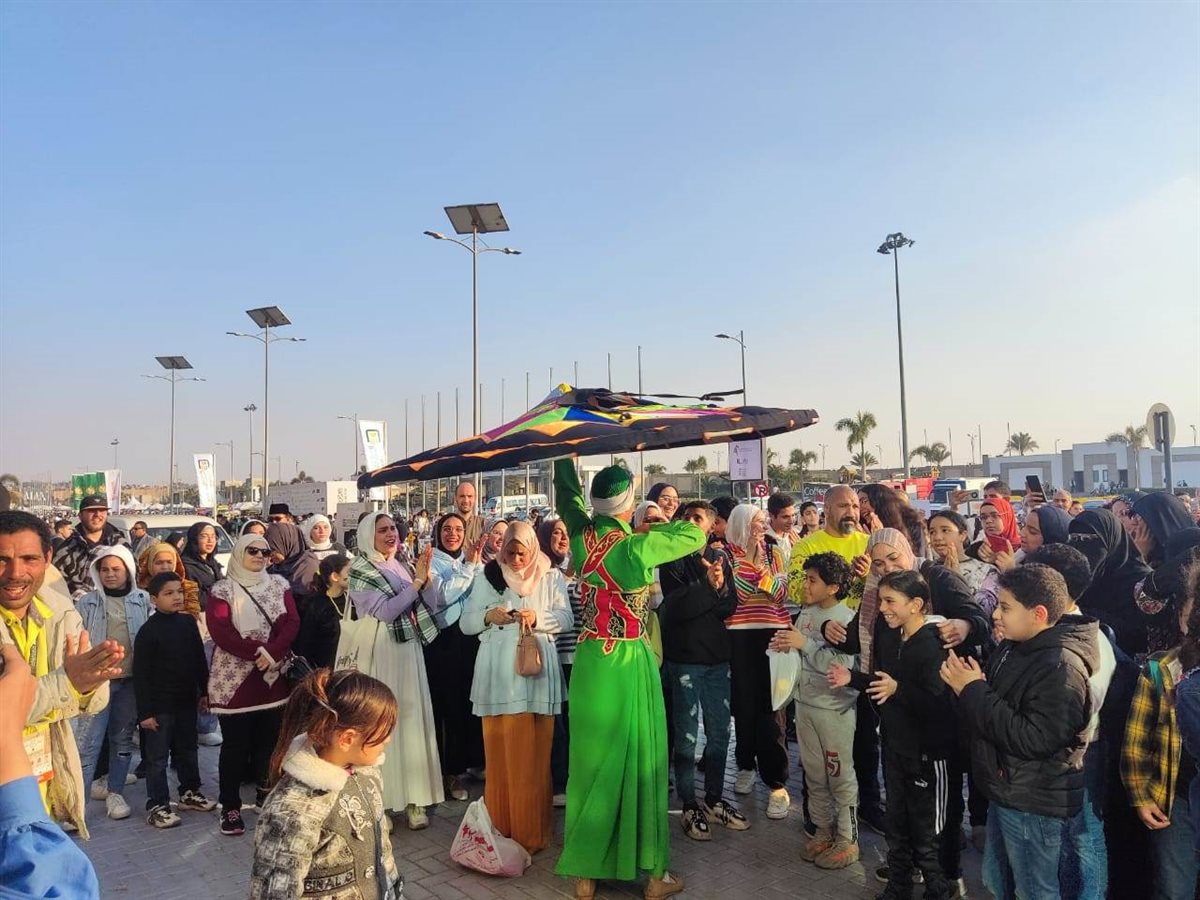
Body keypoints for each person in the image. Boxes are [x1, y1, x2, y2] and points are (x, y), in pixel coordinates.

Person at [552, 459, 705, 900]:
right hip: (628, 658)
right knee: (641, 760)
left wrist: (565, 453)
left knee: (589, 764)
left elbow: (566, 495)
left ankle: (585, 874)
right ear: (629, 501)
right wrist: (655, 526)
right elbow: (695, 534)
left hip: (590, 660)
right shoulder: (637, 548)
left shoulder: (580, 535)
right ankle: (654, 876)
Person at [942, 564, 1099, 900]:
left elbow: (1035, 738)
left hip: (1034, 800)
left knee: (1035, 888)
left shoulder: (1061, 665)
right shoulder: (1018, 644)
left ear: (1038, 614)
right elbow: (1002, 701)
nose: (995, 615)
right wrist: (974, 685)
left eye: (1005, 607)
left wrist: (972, 690)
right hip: (1010, 789)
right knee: (1003, 880)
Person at [830, 570, 953, 899]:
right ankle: (898, 887)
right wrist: (854, 678)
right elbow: (885, 682)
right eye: (881, 600)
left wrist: (899, 689)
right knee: (897, 826)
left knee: (928, 836)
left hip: (927, 756)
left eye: (889, 601)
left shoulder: (934, 643)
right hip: (895, 748)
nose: (882, 608)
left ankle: (940, 890)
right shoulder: (892, 634)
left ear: (916, 605)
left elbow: (941, 702)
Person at [0, 511, 123, 837]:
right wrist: (67, 685)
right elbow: (6, 711)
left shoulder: (60, 611)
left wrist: (86, 684)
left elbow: (94, 701)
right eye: (2, 560)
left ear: (47, 558)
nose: (15, 573)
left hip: (43, 793)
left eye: (29, 559)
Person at [461, 521, 572, 853]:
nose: (516, 560)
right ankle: (502, 828)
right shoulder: (489, 576)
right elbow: (466, 623)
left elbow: (566, 619)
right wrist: (488, 616)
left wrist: (536, 618)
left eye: (521, 553)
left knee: (535, 757)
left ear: (533, 548)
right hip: (498, 675)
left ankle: (532, 832)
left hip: (536, 672)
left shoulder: (550, 575)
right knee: (501, 756)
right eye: (509, 553)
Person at [249, 669, 403, 900]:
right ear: (347, 739)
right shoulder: (293, 808)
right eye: (384, 730)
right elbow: (272, 891)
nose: (389, 739)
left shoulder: (367, 773)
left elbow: (382, 848)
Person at [1024, 543, 1116, 900]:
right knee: (1063, 837)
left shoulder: (1087, 639)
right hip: (1057, 751)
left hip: (1081, 751)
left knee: (1084, 836)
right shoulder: (1047, 631)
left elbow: (1082, 709)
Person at [347, 512, 445, 831]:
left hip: (408, 649)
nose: (391, 534)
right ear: (368, 535)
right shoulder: (361, 569)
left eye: (393, 528)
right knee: (381, 724)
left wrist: (425, 579)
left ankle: (415, 800)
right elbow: (387, 612)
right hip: (381, 651)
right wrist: (415, 583)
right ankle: (383, 804)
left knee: (411, 722)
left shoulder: (401, 563)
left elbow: (429, 603)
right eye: (382, 530)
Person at [658, 500, 747, 842]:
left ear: (711, 526)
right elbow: (675, 608)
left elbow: (729, 606)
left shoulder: (721, 558)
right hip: (684, 660)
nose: (691, 522)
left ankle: (713, 798)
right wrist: (708, 588)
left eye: (698, 518)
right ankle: (689, 803)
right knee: (686, 737)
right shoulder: (671, 559)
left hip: (717, 660)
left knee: (720, 732)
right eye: (686, 517)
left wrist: (719, 586)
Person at [206, 533, 300, 836]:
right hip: (234, 680)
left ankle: (264, 793)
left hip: (272, 678)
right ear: (238, 553)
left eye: (265, 551)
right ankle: (230, 806)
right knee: (235, 746)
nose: (260, 556)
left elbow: (291, 623)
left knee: (270, 741)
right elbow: (221, 632)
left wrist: (273, 653)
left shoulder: (279, 585)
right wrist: (260, 653)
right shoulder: (222, 590)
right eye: (252, 550)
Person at [770, 552, 858, 869]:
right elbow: (798, 654)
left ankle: (848, 839)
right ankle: (822, 830)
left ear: (832, 587)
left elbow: (841, 667)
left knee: (840, 776)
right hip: (805, 706)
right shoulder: (805, 613)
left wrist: (803, 644)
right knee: (815, 775)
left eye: (812, 580)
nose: (805, 586)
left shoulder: (846, 619)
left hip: (833, 711)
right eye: (805, 578)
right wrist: (784, 646)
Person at [0, 643, 101, 898]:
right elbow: (55, 886)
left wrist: (79, 686)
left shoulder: (57, 618)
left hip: (38, 801)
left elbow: (97, 699)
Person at [1121, 587, 1200, 899]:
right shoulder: (1161, 669)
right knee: (1174, 887)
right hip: (1175, 798)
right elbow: (1137, 738)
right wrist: (1141, 795)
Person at [723, 503, 792, 817]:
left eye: (763, 522)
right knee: (744, 704)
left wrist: (759, 574)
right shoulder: (726, 554)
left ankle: (777, 781)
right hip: (739, 635)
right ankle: (745, 765)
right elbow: (737, 594)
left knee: (773, 706)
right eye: (756, 522)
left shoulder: (774, 552)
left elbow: (780, 593)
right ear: (741, 524)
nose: (761, 528)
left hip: (773, 633)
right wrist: (756, 572)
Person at [73, 545, 150, 821]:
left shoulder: (142, 600)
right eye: (104, 569)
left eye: (116, 569)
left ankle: (115, 793)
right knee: (88, 743)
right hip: (98, 684)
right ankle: (77, 805)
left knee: (122, 740)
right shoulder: (87, 602)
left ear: (128, 571)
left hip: (129, 683)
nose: (110, 574)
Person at [133, 571, 216, 828]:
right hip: (160, 707)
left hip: (186, 701)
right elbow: (141, 675)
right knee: (157, 758)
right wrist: (145, 713)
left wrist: (205, 692)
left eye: (179, 591)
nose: (177, 597)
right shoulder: (148, 632)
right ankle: (157, 805)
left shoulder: (188, 623)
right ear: (154, 599)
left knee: (188, 748)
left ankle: (189, 792)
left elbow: (199, 659)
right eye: (168, 593)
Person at [425, 512, 485, 803]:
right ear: (438, 532)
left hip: (469, 640)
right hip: (443, 642)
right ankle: (446, 772)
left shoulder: (469, 560)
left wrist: (473, 565)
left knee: (466, 704)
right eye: (447, 529)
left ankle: (466, 764)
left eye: (458, 529)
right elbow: (442, 596)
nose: (453, 534)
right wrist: (470, 567)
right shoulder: (430, 562)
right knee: (446, 706)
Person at [1069, 509, 1153, 655]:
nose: (1081, 545)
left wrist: (1081, 614)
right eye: (1075, 538)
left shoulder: (1142, 582)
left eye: (1089, 539)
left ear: (1111, 539)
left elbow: (1140, 636)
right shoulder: (1074, 577)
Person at [539, 516, 579, 804]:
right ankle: (559, 781)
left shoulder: (581, 569)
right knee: (559, 723)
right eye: (556, 533)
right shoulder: (542, 572)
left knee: (576, 720)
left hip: (580, 657)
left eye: (566, 533)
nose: (563, 538)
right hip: (554, 657)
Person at [788, 485, 869, 608]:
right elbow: (795, 592)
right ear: (826, 509)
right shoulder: (805, 546)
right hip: (819, 619)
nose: (851, 513)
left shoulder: (870, 544)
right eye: (843, 506)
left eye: (855, 507)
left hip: (861, 619)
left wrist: (867, 575)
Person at [927, 509, 1000, 620]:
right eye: (932, 532)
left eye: (945, 530)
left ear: (962, 535)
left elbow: (984, 614)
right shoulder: (928, 570)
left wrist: (956, 581)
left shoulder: (987, 571)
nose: (937, 537)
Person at [52, 495, 128, 598]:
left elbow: (133, 579)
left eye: (102, 510)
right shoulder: (66, 551)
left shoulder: (121, 546)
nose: (97, 514)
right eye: (91, 511)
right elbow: (57, 589)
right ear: (80, 515)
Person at [292, 553, 352, 669]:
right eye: (350, 572)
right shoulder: (316, 606)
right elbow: (304, 646)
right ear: (335, 576)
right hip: (325, 671)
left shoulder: (353, 600)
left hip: (351, 666)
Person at [290, 514, 349, 600]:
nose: (322, 531)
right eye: (316, 528)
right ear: (309, 531)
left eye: (325, 527)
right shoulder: (303, 552)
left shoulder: (340, 549)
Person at [859, 483, 926, 558]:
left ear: (879, 501)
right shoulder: (861, 530)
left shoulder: (911, 522)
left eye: (864, 501)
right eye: (857, 504)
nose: (860, 507)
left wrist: (880, 536)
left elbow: (916, 557)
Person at [181, 522, 224, 601]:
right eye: (204, 536)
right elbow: (193, 597)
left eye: (213, 536)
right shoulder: (186, 566)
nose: (210, 540)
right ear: (194, 539)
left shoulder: (212, 562)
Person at [266, 521, 308, 595]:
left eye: (275, 549)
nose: (271, 554)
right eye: (269, 550)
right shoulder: (273, 569)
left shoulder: (306, 566)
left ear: (288, 542)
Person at [765, 492, 800, 569]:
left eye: (793, 515)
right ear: (771, 515)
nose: (791, 521)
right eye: (785, 517)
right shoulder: (762, 540)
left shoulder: (796, 535)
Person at [453, 481, 486, 546]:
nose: (466, 500)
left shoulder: (483, 524)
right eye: (462, 496)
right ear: (455, 498)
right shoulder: (445, 524)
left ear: (475, 498)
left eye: (470, 496)